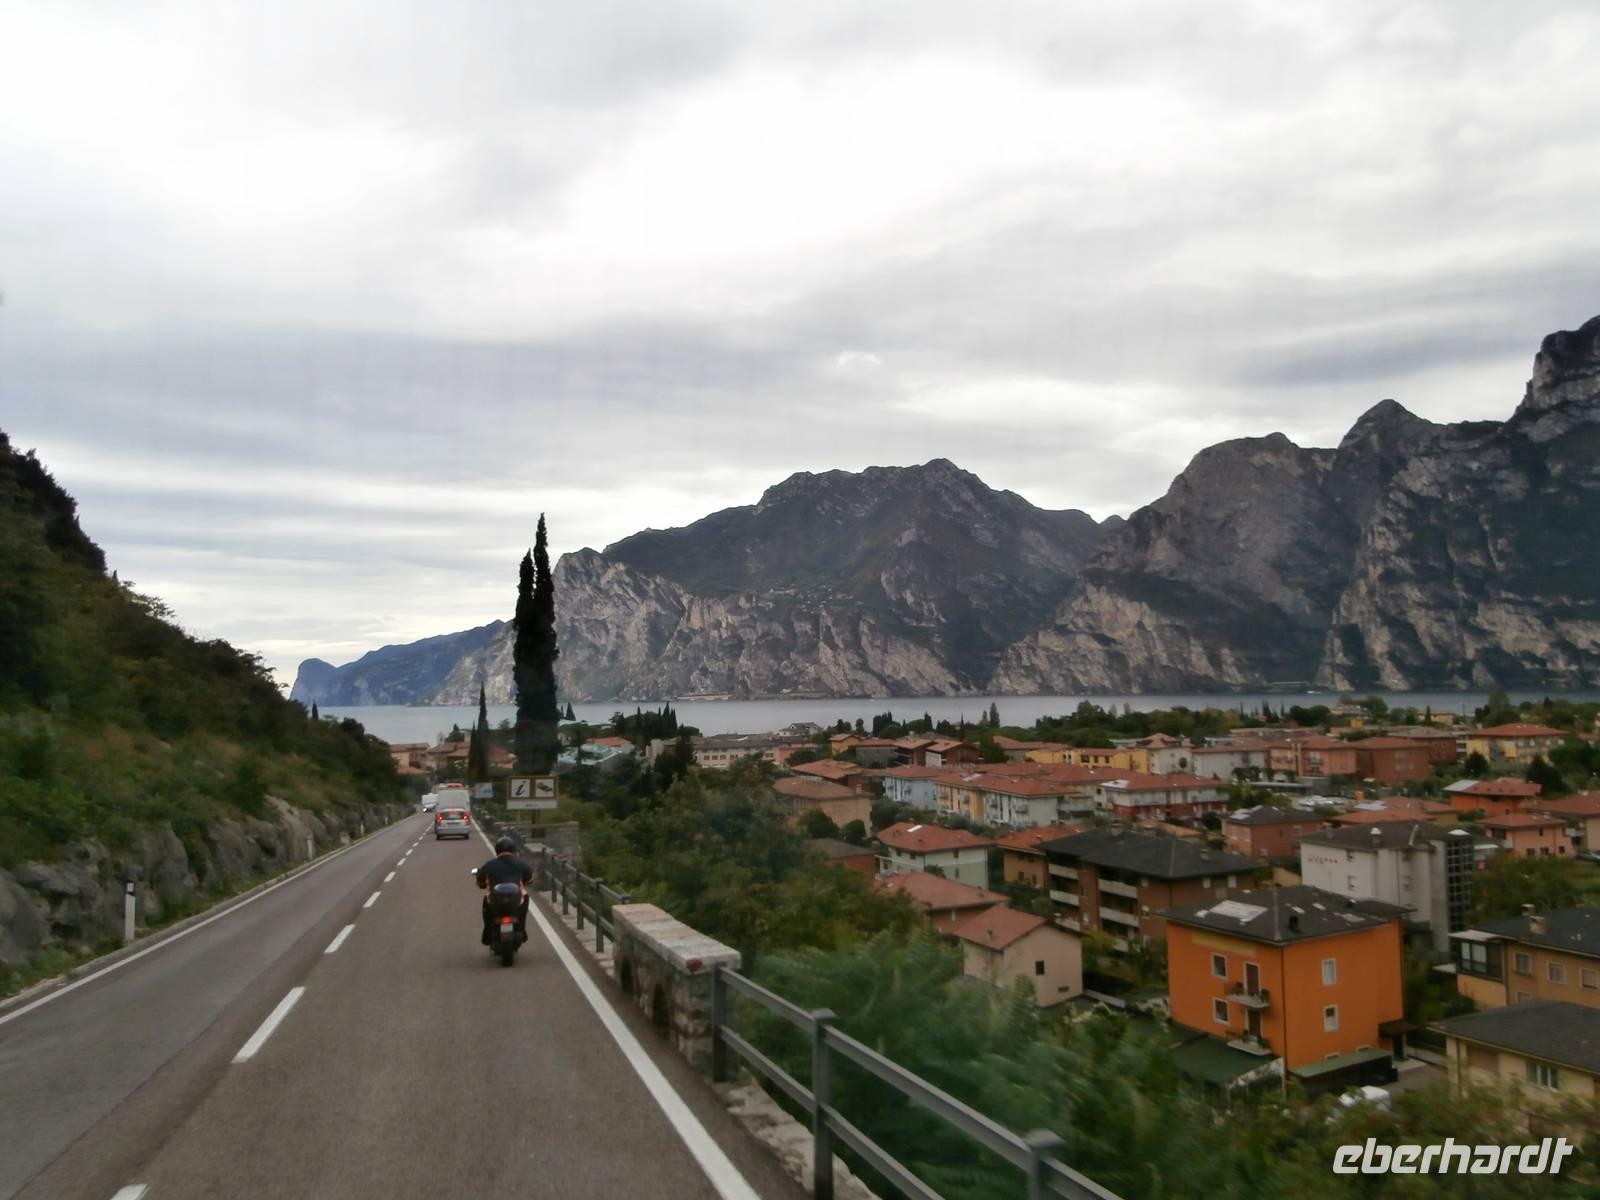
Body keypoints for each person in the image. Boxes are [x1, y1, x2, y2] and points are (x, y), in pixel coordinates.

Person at [476, 836, 533, 946]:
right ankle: (521, 928)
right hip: (516, 900)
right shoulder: (521, 863)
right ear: (513, 849)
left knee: (487, 909)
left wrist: (483, 884)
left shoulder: (490, 865)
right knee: (524, 900)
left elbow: (480, 880)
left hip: (495, 900)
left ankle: (488, 932)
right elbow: (529, 879)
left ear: (497, 850)